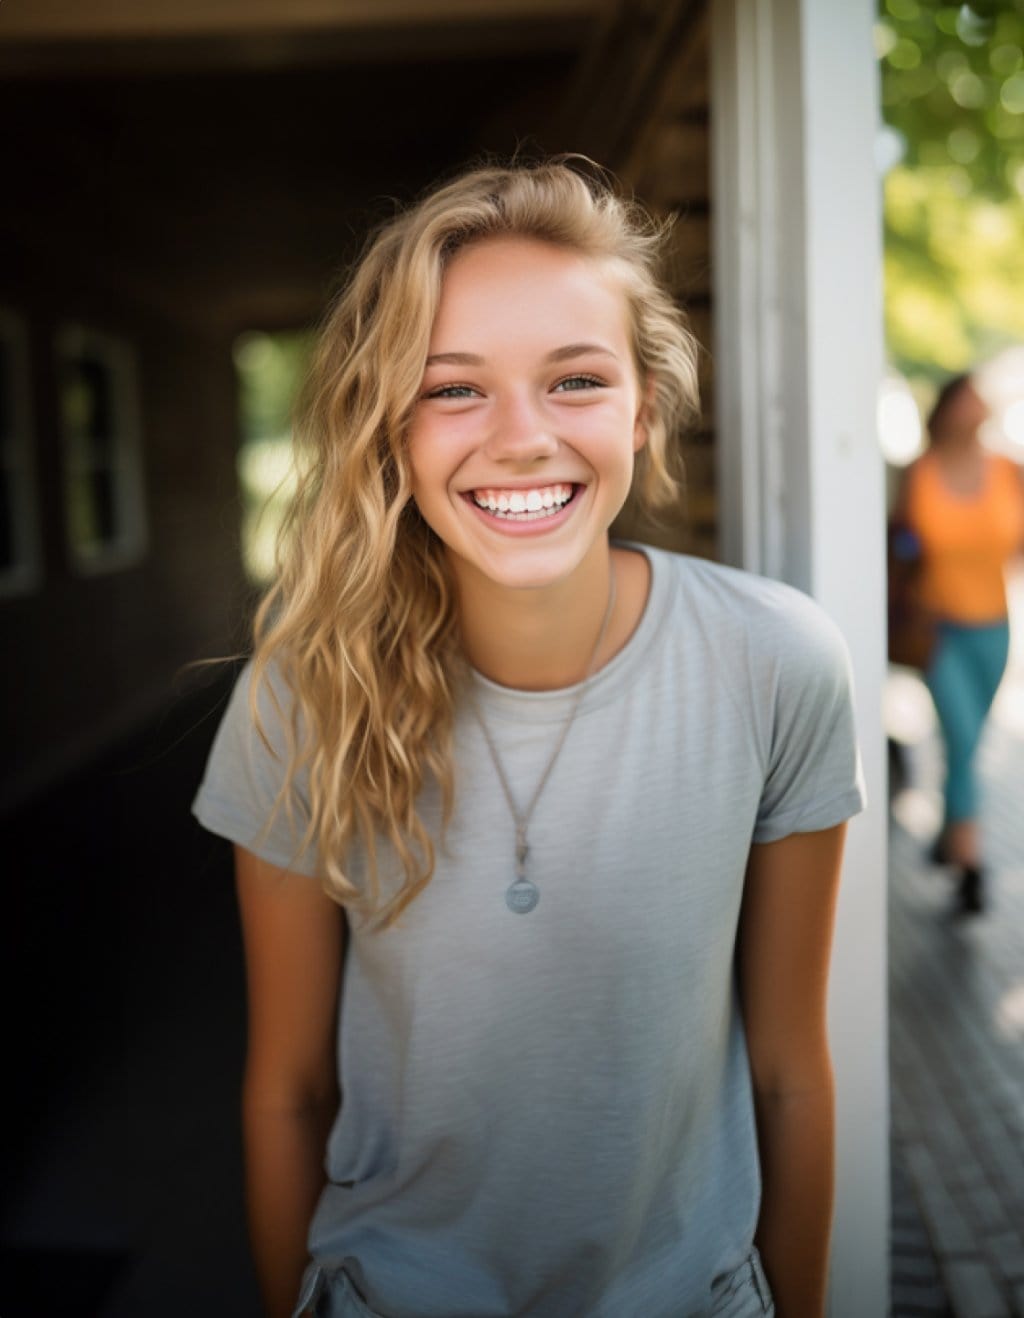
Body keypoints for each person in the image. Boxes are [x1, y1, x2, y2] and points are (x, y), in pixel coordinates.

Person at [193, 159, 865, 1318]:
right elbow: (287, 1091)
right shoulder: (301, 693)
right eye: (452, 389)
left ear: (642, 410)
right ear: (387, 426)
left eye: (575, 380)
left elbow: (791, 1073)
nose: (519, 437)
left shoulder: (777, 664)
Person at [895, 374, 1024, 913]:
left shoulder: (1008, 471)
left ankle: (948, 835)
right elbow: (899, 543)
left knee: (968, 745)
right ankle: (970, 862)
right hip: (938, 629)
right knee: (963, 737)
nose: (977, 405)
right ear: (947, 407)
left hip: (994, 629)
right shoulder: (918, 473)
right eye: (966, 396)